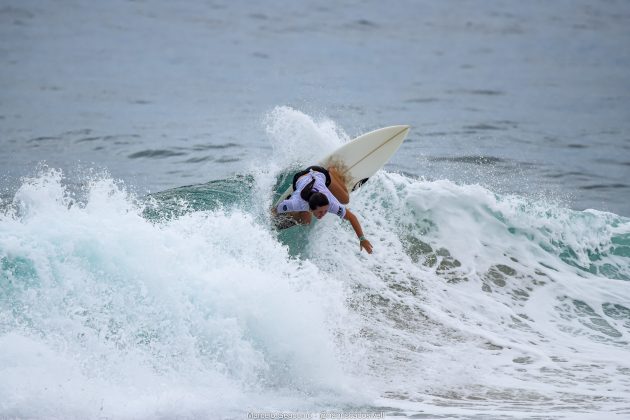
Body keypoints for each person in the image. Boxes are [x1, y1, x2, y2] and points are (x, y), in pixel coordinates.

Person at [272, 166, 373, 254]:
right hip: (303, 176)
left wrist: (362, 239)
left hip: (321, 176)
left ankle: (332, 171)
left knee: (345, 200)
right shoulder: (296, 203)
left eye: (325, 211)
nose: (323, 214)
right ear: (312, 208)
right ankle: (331, 171)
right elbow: (274, 210)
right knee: (306, 221)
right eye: (320, 212)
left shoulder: (331, 204)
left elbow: (351, 217)